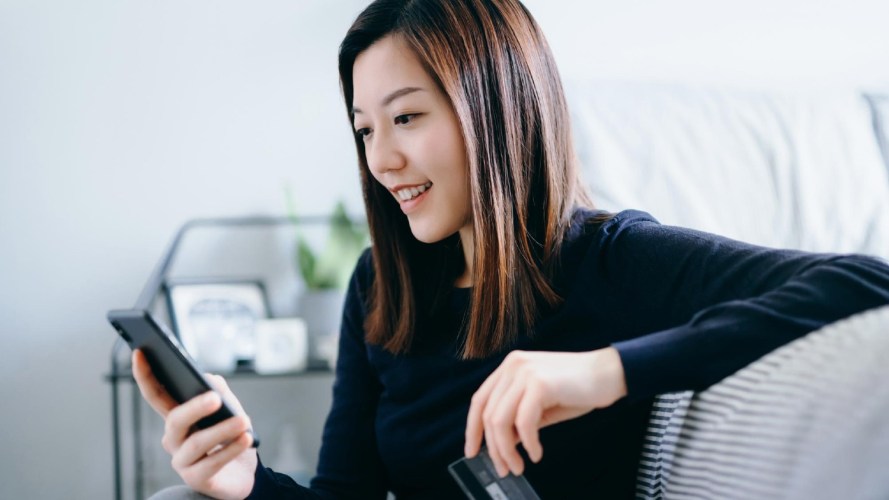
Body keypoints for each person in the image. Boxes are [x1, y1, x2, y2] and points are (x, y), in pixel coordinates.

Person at [134, 0, 889, 498]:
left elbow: (863, 279)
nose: (381, 161)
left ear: (494, 108)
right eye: (365, 130)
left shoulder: (610, 259)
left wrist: (607, 372)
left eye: (405, 119)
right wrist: (247, 479)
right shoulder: (381, 285)